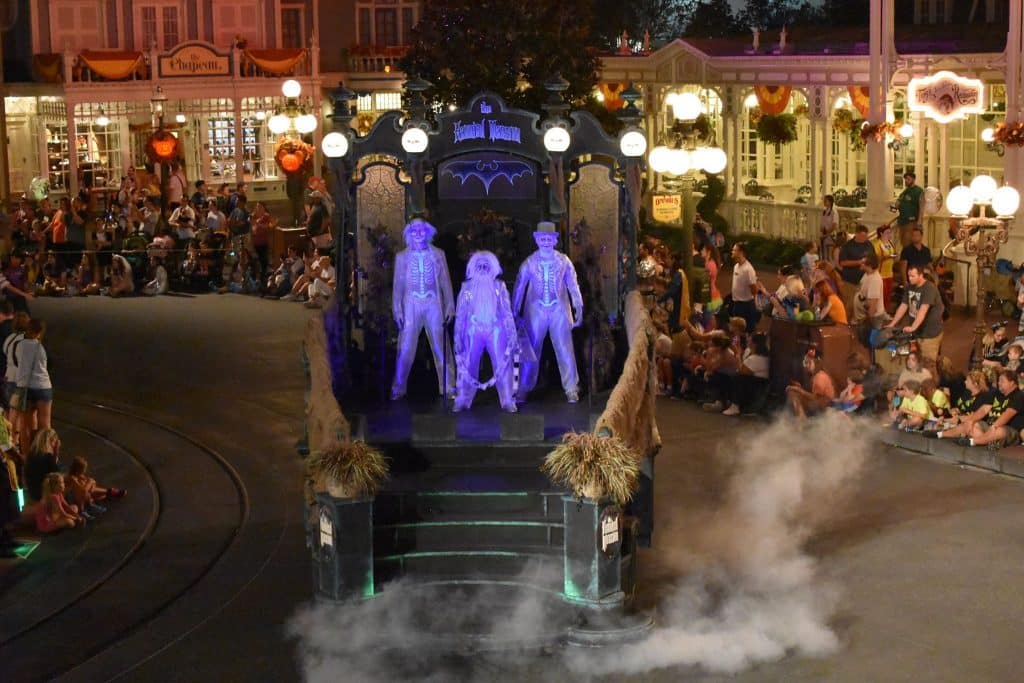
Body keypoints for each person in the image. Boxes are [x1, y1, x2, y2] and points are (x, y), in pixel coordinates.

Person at [513, 221, 585, 404]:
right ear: (537, 240)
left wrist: (578, 306)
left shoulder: (563, 261)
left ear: (554, 240)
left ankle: (571, 388)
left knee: (565, 349)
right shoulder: (530, 262)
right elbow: (520, 287)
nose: (545, 241)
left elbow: (573, 285)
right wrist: (515, 310)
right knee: (531, 349)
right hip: (536, 309)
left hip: (558, 309)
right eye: (542, 238)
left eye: (549, 238)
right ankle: (523, 388)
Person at [391, 218, 456, 401]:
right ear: (409, 233)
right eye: (414, 230)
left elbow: (445, 281)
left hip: (433, 301)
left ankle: (449, 386)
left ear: (427, 231)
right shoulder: (402, 257)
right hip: (411, 302)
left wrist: (450, 305)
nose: (418, 233)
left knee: (441, 345)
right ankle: (398, 386)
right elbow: (398, 285)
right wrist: (397, 309)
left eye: (421, 229)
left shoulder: (438, 254)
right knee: (405, 346)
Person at [453, 251, 519, 413]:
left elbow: (507, 312)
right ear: (473, 268)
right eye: (479, 266)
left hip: (496, 329)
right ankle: (462, 399)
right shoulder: (466, 287)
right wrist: (457, 336)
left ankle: (507, 399)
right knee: (467, 363)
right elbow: (460, 314)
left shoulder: (499, 286)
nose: (482, 269)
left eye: (486, 266)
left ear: (492, 268)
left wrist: (512, 334)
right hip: (472, 330)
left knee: (503, 363)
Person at [885, 264, 944, 362]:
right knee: (917, 362)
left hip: (929, 334)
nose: (910, 279)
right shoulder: (910, 287)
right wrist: (892, 323)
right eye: (909, 276)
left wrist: (913, 327)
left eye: (913, 276)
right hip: (917, 333)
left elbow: (923, 309)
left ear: (921, 275)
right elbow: (903, 306)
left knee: (928, 365)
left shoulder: (929, 288)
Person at [15, 318, 52, 456]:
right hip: (44, 387)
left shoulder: (21, 345)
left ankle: (27, 458)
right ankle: (46, 456)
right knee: (45, 426)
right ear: (41, 332)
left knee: (26, 426)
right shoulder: (40, 347)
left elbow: (21, 366)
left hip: (27, 388)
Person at [964, 369, 1024, 448]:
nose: (999, 383)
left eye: (1002, 381)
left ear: (1012, 382)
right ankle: (986, 442)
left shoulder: (1019, 396)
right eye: (998, 381)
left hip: (1009, 429)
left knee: (998, 431)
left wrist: (994, 426)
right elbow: (984, 409)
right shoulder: (998, 393)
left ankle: (974, 441)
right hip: (991, 425)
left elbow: (1008, 414)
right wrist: (971, 420)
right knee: (974, 425)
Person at [786, 350, 835, 418]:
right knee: (793, 393)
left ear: (817, 363)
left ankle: (802, 421)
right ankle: (797, 419)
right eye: (806, 363)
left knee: (793, 394)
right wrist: (800, 388)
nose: (806, 365)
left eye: (809, 362)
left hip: (824, 405)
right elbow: (813, 395)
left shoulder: (820, 376)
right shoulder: (815, 376)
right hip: (819, 403)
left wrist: (799, 390)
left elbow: (816, 398)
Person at [837, 224, 874, 315]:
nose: (864, 238)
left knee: (862, 304)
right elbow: (842, 262)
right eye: (862, 236)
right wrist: (858, 262)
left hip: (865, 280)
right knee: (850, 304)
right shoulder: (848, 246)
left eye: (866, 236)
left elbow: (873, 257)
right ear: (856, 234)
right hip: (850, 281)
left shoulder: (869, 244)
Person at [729, 241, 759, 333]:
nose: (732, 252)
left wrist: (754, 302)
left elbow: (754, 288)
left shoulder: (748, 269)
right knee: (736, 329)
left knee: (746, 330)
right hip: (736, 303)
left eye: (734, 250)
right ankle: (737, 344)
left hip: (745, 305)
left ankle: (745, 345)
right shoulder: (736, 266)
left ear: (741, 252)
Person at [871, 224, 897, 309]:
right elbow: (876, 258)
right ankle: (879, 311)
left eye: (890, 233)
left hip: (889, 273)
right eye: (887, 233)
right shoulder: (877, 244)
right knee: (881, 295)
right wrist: (888, 257)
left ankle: (885, 310)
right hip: (880, 274)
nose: (889, 235)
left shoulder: (890, 243)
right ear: (881, 233)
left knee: (887, 295)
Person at [895, 172, 924, 247]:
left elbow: (922, 206)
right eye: (905, 179)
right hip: (902, 221)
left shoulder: (918, 191)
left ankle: (909, 258)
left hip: (911, 222)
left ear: (913, 179)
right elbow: (898, 202)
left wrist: (919, 221)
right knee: (903, 242)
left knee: (908, 243)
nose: (906, 181)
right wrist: (897, 203)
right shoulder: (905, 191)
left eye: (908, 179)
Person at [819, 194, 837, 261]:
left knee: (829, 255)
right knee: (823, 254)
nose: (824, 202)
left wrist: (826, 234)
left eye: (825, 201)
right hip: (823, 234)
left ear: (830, 202)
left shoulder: (833, 212)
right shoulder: (825, 211)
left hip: (830, 236)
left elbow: (834, 225)